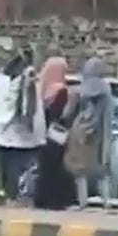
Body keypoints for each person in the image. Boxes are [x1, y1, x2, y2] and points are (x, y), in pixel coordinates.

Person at [0, 47, 46, 207]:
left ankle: (13, 195)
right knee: (8, 165)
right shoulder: (7, 80)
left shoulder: (26, 79)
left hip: (18, 134)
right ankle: (10, 195)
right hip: (9, 132)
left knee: (14, 166)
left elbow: (28, 107)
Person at [63, 56, 114, 212]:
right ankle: (106, 202)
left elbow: (67, 113)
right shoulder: (106, 90)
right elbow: (109, 115)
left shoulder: (80, 90)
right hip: (100, 132)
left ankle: (83, 202)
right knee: (102, 168)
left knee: (80, 170)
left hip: (80, 133)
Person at [33, 55, 77, 210]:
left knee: (45, 169)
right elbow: (61, 116)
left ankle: (42, 199)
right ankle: (58, 201)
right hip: (57, 138)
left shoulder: (41, 90)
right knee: (58, 169)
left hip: (42, 135)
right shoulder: (62, 91)